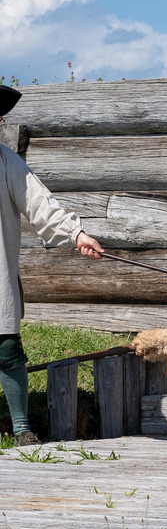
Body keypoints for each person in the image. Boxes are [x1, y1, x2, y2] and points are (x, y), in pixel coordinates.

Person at [0, 86, 104, 443]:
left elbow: (39, 203)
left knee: (6, 349)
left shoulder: (4, 162)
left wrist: (76, 234)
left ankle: (21, 428)